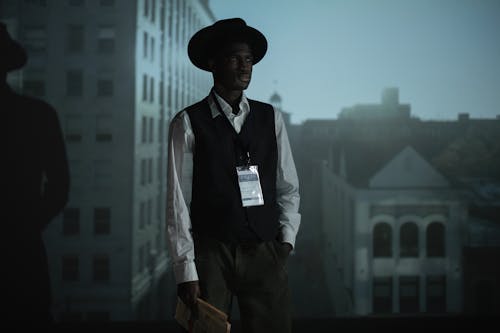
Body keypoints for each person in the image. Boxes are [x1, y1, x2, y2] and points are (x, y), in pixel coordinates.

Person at [166, 18, 300, 332]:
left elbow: (288, 184)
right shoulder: (187, 122)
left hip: (265, 250)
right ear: (213, 63)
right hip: (211, 253)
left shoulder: (270, 117)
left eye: (249, 60)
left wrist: (286, 241)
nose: (245, 67)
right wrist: (186, 271)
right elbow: (177, 202)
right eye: (235, 58)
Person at [0, 22, 70, 323]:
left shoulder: (38, 114)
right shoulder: (38, 114)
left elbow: (59, 186)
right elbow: (59, 187)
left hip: (22, 249)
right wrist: (27, 225)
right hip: (23, 251)